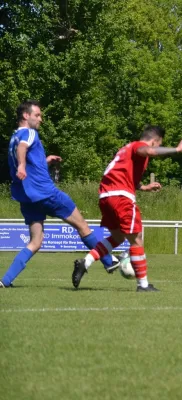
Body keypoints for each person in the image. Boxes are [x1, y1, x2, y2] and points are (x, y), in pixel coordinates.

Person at [0, 100, 117, 288]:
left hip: (27, 197)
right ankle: (109, 262)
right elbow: (23, 148)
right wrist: (22, 165)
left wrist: (44, 161)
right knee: (83, 226)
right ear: (25, 116)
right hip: (46, 193)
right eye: (37, 115)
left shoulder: (13, 137)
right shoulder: (29, 133)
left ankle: (5, 280)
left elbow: (24, 157)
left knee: (36, 242)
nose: (41, 119)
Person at [72, 125, 182, 292]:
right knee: (137, 238)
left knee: (118, 237)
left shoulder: (125, 149)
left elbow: (124, 174)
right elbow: (148, 151)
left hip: (106, 196)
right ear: (154, 142)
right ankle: (143, 285)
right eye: (157, 144)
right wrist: (176, 150)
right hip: (121, 197)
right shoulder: (137, 146)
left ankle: (85, 262)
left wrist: (144, 187)